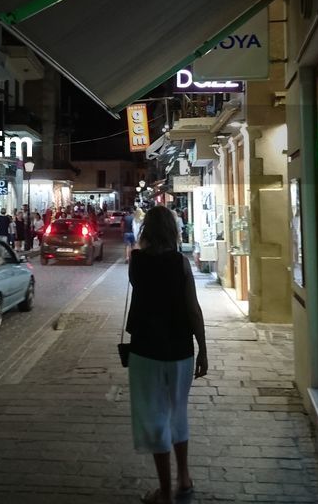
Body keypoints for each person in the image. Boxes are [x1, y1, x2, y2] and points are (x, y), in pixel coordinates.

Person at [126, 207, 208, 504]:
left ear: (146, 229)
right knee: (178, 411)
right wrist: (203, 348)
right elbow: (193, 308)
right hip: (180, 349)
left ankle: (165, 490)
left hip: (146, 348)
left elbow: (142, 289)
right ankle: (184, 479)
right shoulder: (181, 263)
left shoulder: (136, 263)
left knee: (154, 416)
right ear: (173, 230)